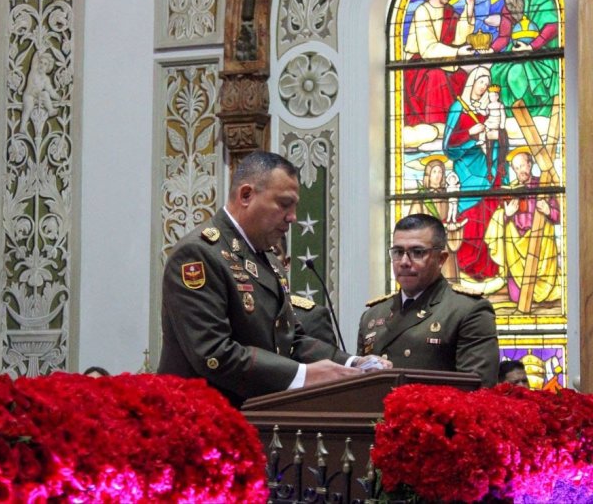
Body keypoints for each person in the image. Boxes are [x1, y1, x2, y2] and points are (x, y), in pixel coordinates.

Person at [158, 151, 390, 406]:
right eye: (284, 204)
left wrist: (351, 363)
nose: (292, 217)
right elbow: (213, 353)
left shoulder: (264, 259)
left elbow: (293, 340)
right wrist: (304, 375)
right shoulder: (199, 253)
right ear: (246, 195)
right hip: (202, 420)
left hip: (254, 415)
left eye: (294, 206)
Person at [357, 213, 499, 387]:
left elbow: (477, 388)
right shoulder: (373, 314)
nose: (404, 262)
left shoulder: (467, 310)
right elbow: (360, 385)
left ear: (441, 259)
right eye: (398, 252)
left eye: (417, 252)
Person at [443, 66, 504, 280]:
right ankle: (465, 266)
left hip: (485, 167)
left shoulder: (485, 110)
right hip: (466, 170)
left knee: (485, 213)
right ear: (472, 83)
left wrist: (493, 137)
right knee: (468, 215)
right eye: (481, 82)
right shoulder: (457, 109)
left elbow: (495, 135)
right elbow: (448, 147)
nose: (484, 87)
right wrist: (470, 134)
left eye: (487, 84)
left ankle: (485, 267)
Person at [484, 149, 561, 305]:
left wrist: (548, 210)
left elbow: (561, 216)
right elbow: (497, 221)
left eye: (522, 166)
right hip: (516, 252)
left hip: (541, 247)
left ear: (530, 164)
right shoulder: (511, 190)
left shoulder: (544, 185)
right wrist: (506, 214)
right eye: (516, 168)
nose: (520, 171)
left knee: (550, 293)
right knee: (516, 296)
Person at [403, 0, 476, 126]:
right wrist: (456, 53)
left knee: (463, 77)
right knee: (437, 76)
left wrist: (469, 6)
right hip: (418, 64)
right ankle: (437, 122)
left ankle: (460, 124)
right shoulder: (422, 11)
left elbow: (459, 38)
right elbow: (427, 48)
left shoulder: (449, 11)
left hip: (444, 60)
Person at [272, 237, 339, 347]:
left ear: (286, 264)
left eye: (274, 253)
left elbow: (328, 362)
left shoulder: (313, 318)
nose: (269, 260)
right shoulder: (239, 310)